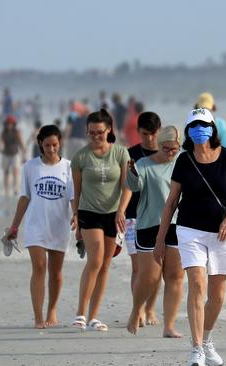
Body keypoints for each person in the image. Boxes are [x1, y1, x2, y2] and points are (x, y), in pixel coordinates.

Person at [155, 108, 226, 366]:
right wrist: (161, 239)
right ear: (188, 131)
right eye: (193, 126)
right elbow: (171, 203)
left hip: (222, 232)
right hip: (190, 229)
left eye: (203, 125)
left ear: (212, 128)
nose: (199, 130)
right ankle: (196, 349)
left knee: (218, 295)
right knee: (196, 283)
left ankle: (206, 340)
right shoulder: (184, 160)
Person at [5, 125, 74, 329]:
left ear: (60, 143)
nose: (51, 149)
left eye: (55, 145)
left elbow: (73, 197)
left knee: (56, 271)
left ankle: (52, 309)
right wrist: (14, 227)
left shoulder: (69, 167)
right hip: (36, 225)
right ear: (40, 145)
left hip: (59, 225)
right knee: (39, 267)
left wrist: (78, 216)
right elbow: (25, 197)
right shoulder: (30, 167)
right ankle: (38, 316)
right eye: (47, 145)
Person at [70, 108, 131, 332]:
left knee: (105, 264)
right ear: (86, 132)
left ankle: (94, 316)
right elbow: (76, 192)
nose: (96, 137)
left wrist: (121, 211)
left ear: (109, 131)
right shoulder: (80, 157)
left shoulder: (121, 153)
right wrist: (75, 215)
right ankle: (80, 314)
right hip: (89, 212)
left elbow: (127, 186)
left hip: (113, 215)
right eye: (91, 133)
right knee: (94, 260)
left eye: (100, 133)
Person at [125, 125, 185, 338]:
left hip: (178, 224)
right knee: (149, 277)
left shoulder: (183, 162)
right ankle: (136, 310)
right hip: (150, 224)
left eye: (175, 148)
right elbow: (134, 186)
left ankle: (168, 326)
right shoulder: (144, 164)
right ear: (159, 145)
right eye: (167, 148)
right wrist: (131, 172)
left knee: (175, 276)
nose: (171, 152)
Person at [124, 111, 161, 327]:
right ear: (138, 132)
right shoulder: (131, 155)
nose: (149, 139)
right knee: (138, 267)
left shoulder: (165, 153)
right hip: (134, 216)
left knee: (156, 269)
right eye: (145, 134)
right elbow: (126, 186)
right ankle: (137, 309)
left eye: (153, 134)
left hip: (159, 217)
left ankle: (150, 308)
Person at [0, 115, 26, 196]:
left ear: (14, 124)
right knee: (6, 172)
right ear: (6, 124)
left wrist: (23, 150)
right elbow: (0, 141)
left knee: (15, 172)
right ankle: (6, 190)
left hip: (15, 154)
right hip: (5, 154)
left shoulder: (17, 132)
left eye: (11, 123)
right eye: (8, 123)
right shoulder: (3, 132)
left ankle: (15, 188)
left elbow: (21, 142)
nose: (9, 125)